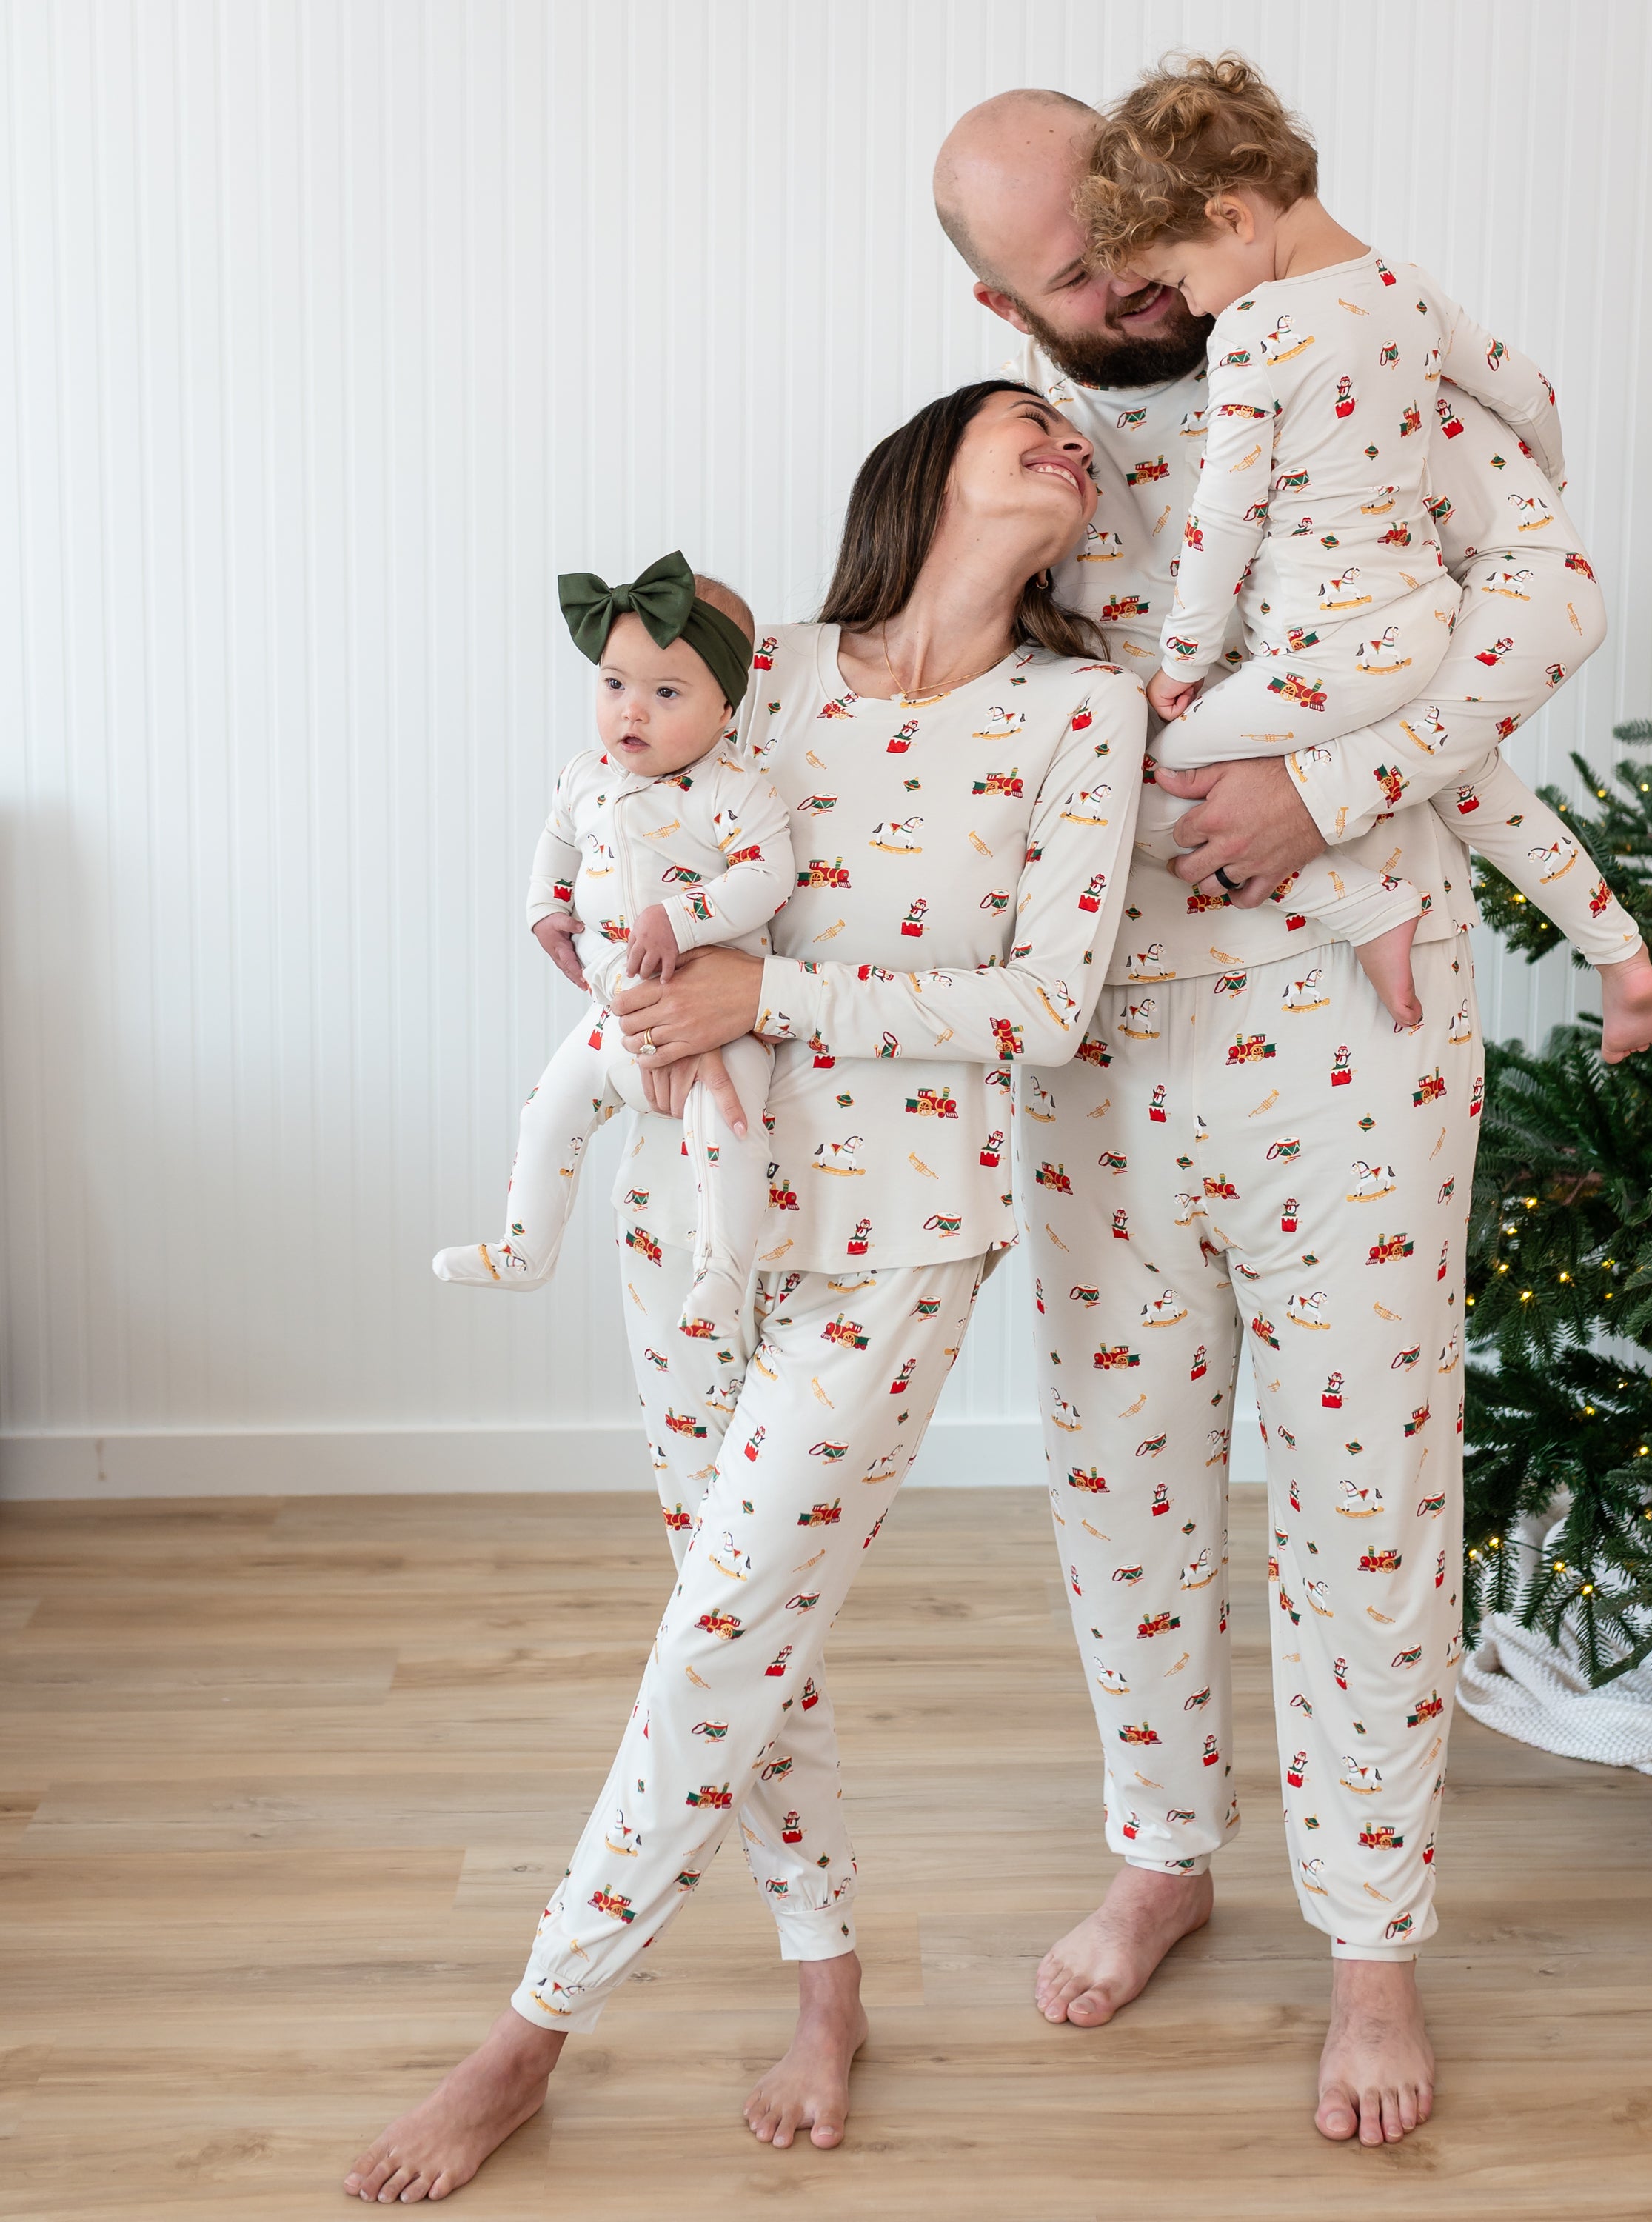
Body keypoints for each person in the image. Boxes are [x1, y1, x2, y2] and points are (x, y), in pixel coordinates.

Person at [932, 83, 1652, 2149]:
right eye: (1080, 272)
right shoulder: (1008, 457)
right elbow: (872, 691)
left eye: (1145, 227)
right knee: (1125, 1476)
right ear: (999, 295)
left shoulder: (1352, 352)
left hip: (1360, 1016)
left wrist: (1334, 784)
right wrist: (636, 864)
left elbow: (1544, 596)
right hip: (1101, 1054)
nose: (1135, 278)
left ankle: (1372, 1946)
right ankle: (1164, 1853)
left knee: (1367, 1490)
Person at [344, 381, 1146, 2202]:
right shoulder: (759, 660)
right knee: (742, 1619)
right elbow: (624, 808)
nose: (1066, 444)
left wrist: (765, 998)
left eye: (1078, 442)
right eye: (1026, 417)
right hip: (685, 1201)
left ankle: (528, 2029)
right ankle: (825, 1977)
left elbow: (1045, 1008)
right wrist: (580, 913)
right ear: (924, 464)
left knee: (718, 1620)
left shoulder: (1082, 712)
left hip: (903, 1232)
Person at [1077, 53, 1573, 1027]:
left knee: (1120, 774)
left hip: (1329, 650)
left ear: (1232, 217)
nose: (1197, 304)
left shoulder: (1257, 329)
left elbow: (1228, 518)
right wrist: (1546, 485)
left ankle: (1363, 907)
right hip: (1426, 625)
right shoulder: (1408, 286)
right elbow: (1530, 393)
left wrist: (1182, 657)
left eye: (1180, 278)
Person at [432, 555, 787, 1343]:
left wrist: (687, 915)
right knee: (547, 1112)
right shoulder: (586, 777)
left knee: (726, 1129)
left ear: (727, 709)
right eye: (615, 685)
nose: (633, 712)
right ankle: (527, 1247)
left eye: (667, 693)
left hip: (713, 1015)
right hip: (611, 1007)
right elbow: (556, 843)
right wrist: (542, 910)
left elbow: (770, 876)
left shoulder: (736, 788)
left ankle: (724, 1273)